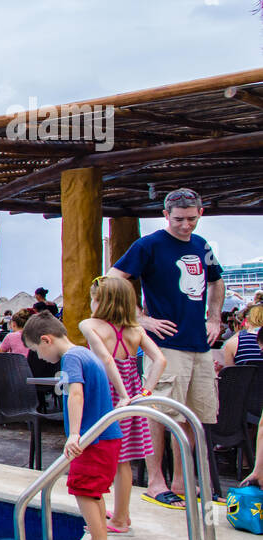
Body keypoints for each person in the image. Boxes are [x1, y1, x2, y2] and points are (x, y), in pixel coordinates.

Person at [106, 187, 224, 509]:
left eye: (191, 219)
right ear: (165, 216)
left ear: (200, 213)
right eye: (179, 219)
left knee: (191, 414)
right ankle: (156, 482)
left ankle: (182, 480)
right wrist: (139, 319)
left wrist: (214, 318)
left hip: (198, 344)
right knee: (159, 414)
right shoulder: (149, 245)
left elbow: (216, 280)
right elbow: (113, 278)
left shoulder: (202, 246)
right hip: (165, 345)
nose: (185, 225)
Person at [23, 312, 125, 540]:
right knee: (94, 491)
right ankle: (96, 537)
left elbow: (76, 394)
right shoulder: (84, 353)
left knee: (83, 488)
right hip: (107, 437)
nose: (38, 357)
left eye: (36, 350)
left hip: (93, 439)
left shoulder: (70, 359)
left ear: (46, 340)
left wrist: (75, 435)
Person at [79, 276, 167, 534]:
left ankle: (113, 516)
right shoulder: (136, 330)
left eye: (92, 298)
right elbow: (159, 360)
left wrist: (121, 395)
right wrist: (143, 391)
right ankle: (121, 515)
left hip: (106, 395)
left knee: (100, 454)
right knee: (123, 459)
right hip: (130, 393)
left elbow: (105, 359)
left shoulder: (89, 325)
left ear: (100, 300)